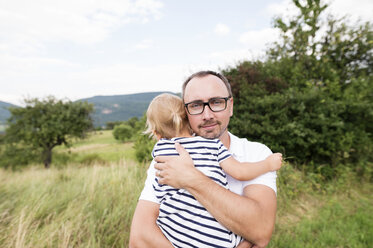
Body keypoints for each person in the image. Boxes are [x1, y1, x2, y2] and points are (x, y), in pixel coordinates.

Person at [129, 71, 278, 248]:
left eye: (216, 102)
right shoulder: (163, 160)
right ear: (185, 112)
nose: (207, 115)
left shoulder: (257, 154)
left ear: (230, 106)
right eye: (196, 105)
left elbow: (260, 232)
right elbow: (138, 240)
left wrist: (191, 178)